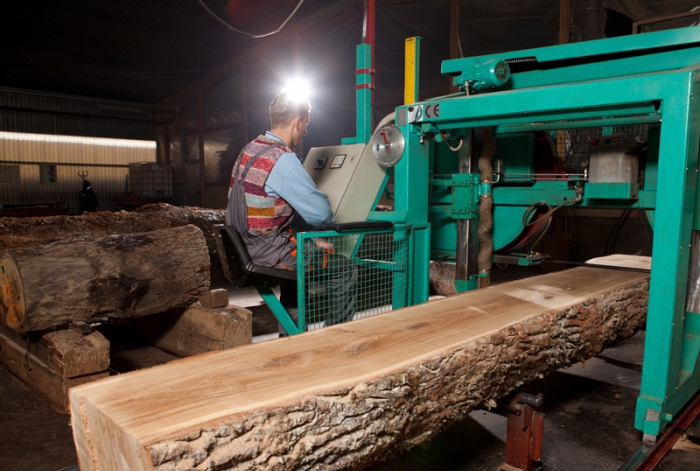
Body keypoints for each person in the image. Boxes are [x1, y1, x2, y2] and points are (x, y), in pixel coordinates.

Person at [225, 92, 356, 333]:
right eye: (305, 124)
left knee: (299, 265)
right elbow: (320, 214)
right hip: (267, 252)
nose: (305, 131)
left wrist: (311, 243)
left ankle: (292, 337)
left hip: (242, 246)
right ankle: (336, 339)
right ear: (297, 121)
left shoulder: (250, 149)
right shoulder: (283, 159)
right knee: (344, 270)